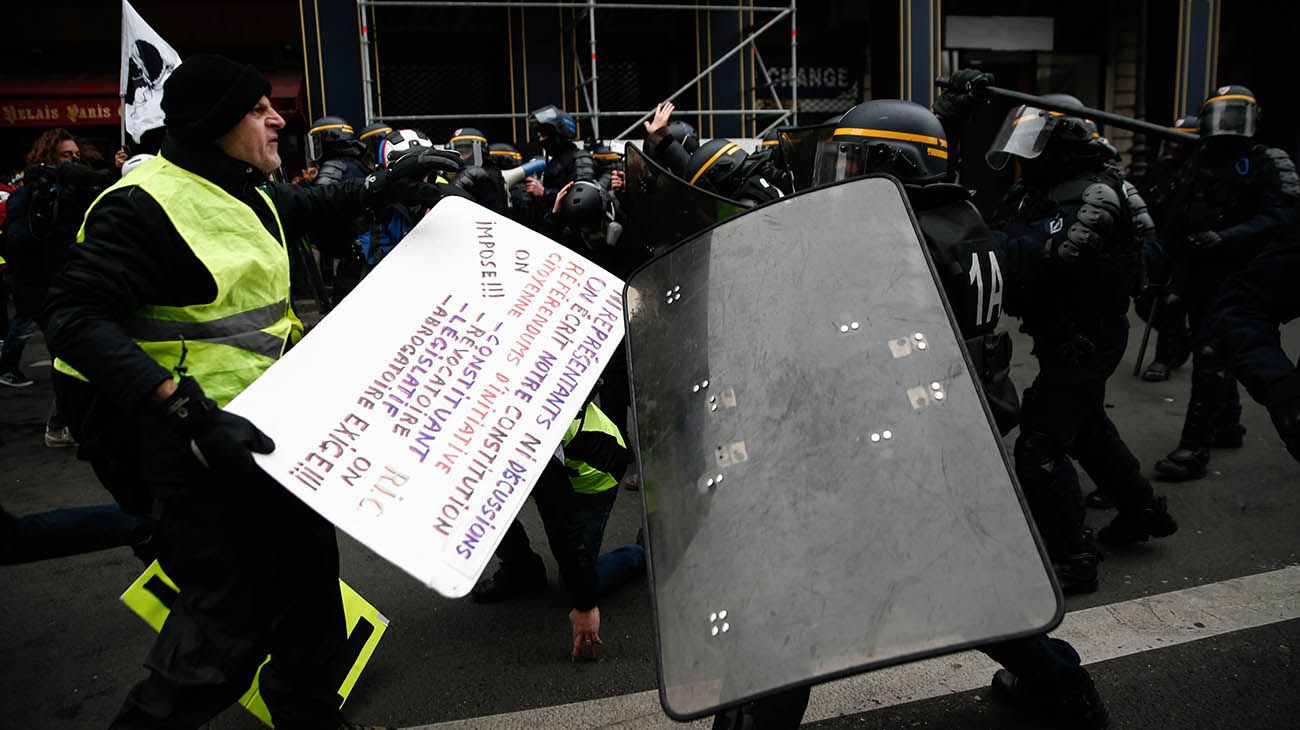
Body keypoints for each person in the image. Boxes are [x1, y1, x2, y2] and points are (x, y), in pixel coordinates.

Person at [42, 53, 453, 730]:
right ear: (213, 121)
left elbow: (313, 205)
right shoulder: (143, 206)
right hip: (198, 448)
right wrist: (185, 410)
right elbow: (73, 318)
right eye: (258, 107)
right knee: (224, 641)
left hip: (272, 433)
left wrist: (386, 184)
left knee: (312, 597)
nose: (277, 117)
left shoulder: (247, 186)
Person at [714, 98, 1109, 730]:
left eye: (853, 162)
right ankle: (1061, 683)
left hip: (889, 437)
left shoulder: (896, 237)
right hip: (948, 431)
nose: (838, 177)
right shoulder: (959, 217)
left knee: (799, 599)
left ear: (893, 167)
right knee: (965, 584)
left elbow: (843, 337)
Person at [981, 91, 1177, 595]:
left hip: (1088, 334)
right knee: (1086, 426)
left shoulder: (1095, 191)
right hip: (1057, 330)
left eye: (1037, 138)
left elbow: (1061, 257)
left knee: (1041, 443)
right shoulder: (1035, 189)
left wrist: (992, 248)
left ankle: (1072, 556)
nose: (1026, 152)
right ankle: (1142, 510)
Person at [1151, 86, 1300, 481]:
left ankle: (1194, 447)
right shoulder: (1196, 160)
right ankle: (1228, 423)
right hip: (1197, 272)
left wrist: (1228, 237)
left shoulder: (1265, 161)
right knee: (1213, 346)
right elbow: (1175, 219)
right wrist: (1158, 273)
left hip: (1241, 274)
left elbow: (1281, 219)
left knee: (1211, 355)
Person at [470, 399, 646, 661]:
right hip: (553, 460)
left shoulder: (535, 433)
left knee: (575, 580)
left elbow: (561, 520)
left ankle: (646, 551)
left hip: (594, 474)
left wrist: (584, 604)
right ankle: (522, 570)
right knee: (472, 500)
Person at [1, 128, 120, 448]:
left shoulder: (75, 191)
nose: (73, 163)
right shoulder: (29, 195)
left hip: (72, 286)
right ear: (49, 158)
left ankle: (64, 424)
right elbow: (20, 245)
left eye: (76, 156)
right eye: (66, 157)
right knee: (73, 358)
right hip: (44, 291)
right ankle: (61, 425)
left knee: (73, 357)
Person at [1211, 205, 1300, 463]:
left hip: (1238, 246)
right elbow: (1243, 305)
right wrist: (1282, 390)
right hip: (1222, 261)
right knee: (1208, 353)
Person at [1134, 115, 1200, 382]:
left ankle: (1163, 358)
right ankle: (1180, 341)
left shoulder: (1200, 171)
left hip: (1189, 249)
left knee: (1173, 301)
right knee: (1145, 301)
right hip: (1159, 244)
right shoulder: (1160, 168)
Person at [307, 116, 370, 305]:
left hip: (352, 255)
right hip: (362, 252)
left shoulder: (334, 168)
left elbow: (317, 207)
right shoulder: (358, 164)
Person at [524, 105, 596, 224]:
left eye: (544, 133)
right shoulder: (554, 161)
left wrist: (544, 192)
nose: (540, 138)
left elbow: (581, 198)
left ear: (558, 134)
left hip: (570, 229)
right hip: (552, 224)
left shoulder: (580, 158)